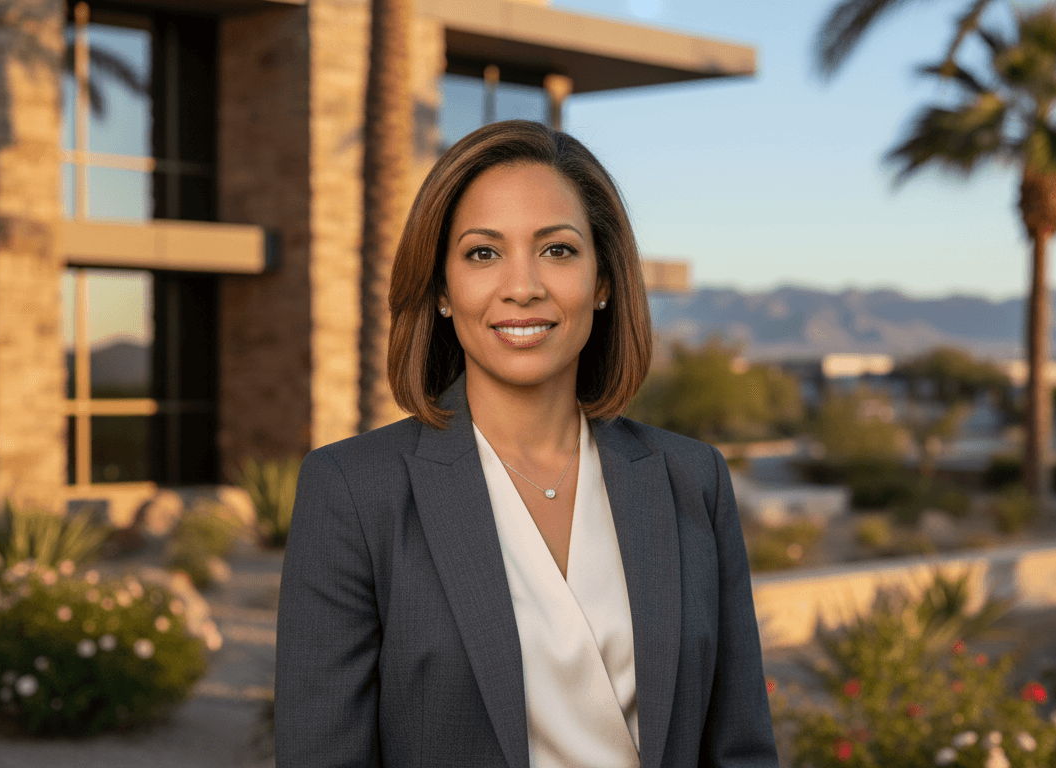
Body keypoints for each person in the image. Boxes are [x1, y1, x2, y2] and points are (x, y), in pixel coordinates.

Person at [274, 120, 777, 768]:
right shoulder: (354, 491)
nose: (522, 286)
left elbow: (739, 749)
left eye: (557, 250)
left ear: (602, 282)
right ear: (443, 290)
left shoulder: (692, 479)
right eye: (483, 253)